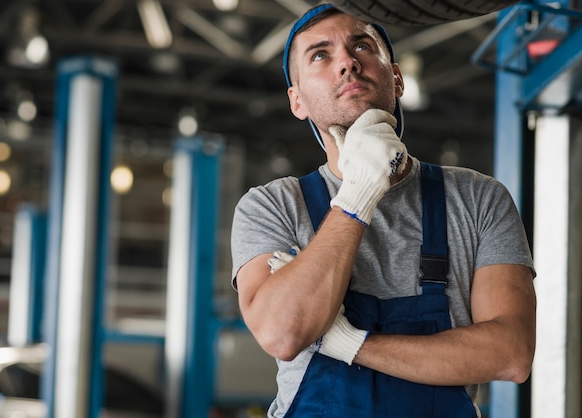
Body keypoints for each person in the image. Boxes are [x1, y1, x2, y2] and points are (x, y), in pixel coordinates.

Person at [230, 3, 536, 417]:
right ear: (297, 101)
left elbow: (510, 354)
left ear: (396, 77)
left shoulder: (478, 198)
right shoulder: (272, 206)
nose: (347, 63)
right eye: (320, 55)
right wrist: (358, 195)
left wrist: (352, 345)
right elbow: (282, 333)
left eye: (361, 46)